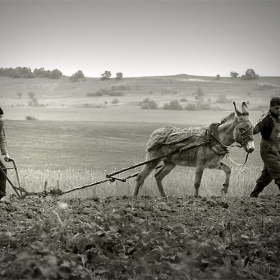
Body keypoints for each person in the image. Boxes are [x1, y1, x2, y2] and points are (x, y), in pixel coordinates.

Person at [250, 97, 280, 197]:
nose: (279, 110)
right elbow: (254, 129)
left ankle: (253, 196)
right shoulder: (266, 118)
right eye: (277, 108)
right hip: (268, 152)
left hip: (278, 151)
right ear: (270, 107)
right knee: (279, 172)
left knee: (266, 177)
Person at [0, 107, 11, 200]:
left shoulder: (0, 124)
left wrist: (6, 154)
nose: (0, 119)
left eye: (1, 117)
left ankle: (1, 195)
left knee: (3, 169)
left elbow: (2, 139)